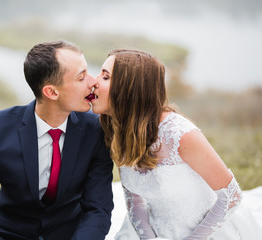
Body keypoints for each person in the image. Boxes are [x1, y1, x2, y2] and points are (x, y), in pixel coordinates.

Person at [0, 40, 114, 240]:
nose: (93, 82)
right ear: (52, 92)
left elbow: (98, 209)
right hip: (5, 233)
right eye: (81, 77)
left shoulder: (96, 130)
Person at [90, 49, 262, 239]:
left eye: (105, 77)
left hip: (204, 231)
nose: (93, 81)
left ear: (129, 88)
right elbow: (135, 201)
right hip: (153, 230)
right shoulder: (118, 129)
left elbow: (231, 196)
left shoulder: (179, 134)